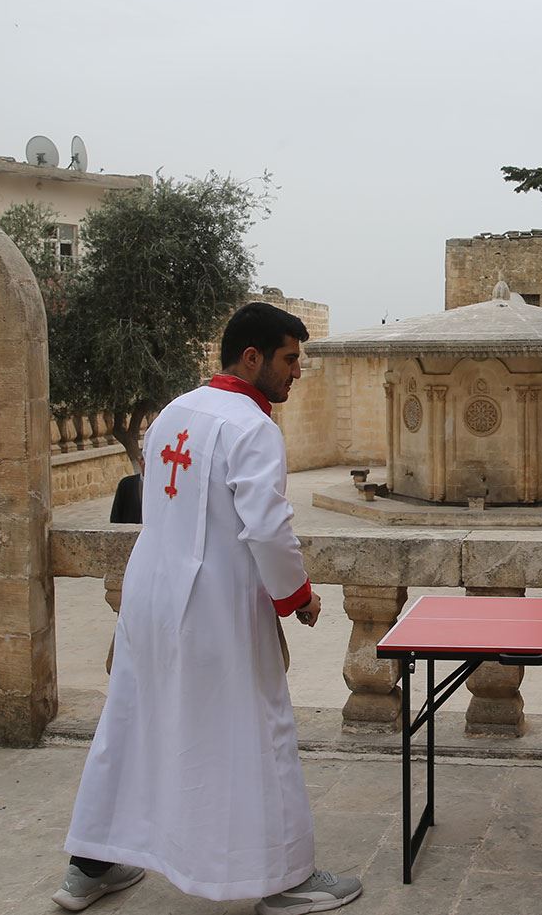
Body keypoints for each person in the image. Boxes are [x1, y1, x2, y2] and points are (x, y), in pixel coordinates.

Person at [52, 303, 363, 915]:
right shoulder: (254, 429)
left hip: (150, 597)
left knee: (133, 719)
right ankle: (284, 880)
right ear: (252, 358)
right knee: (259, 728)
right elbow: (267, 528)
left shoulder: (174, 412)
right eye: (289, 359)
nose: (297, 371)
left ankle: (89, 867)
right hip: (216, 609)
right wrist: (296, 595)